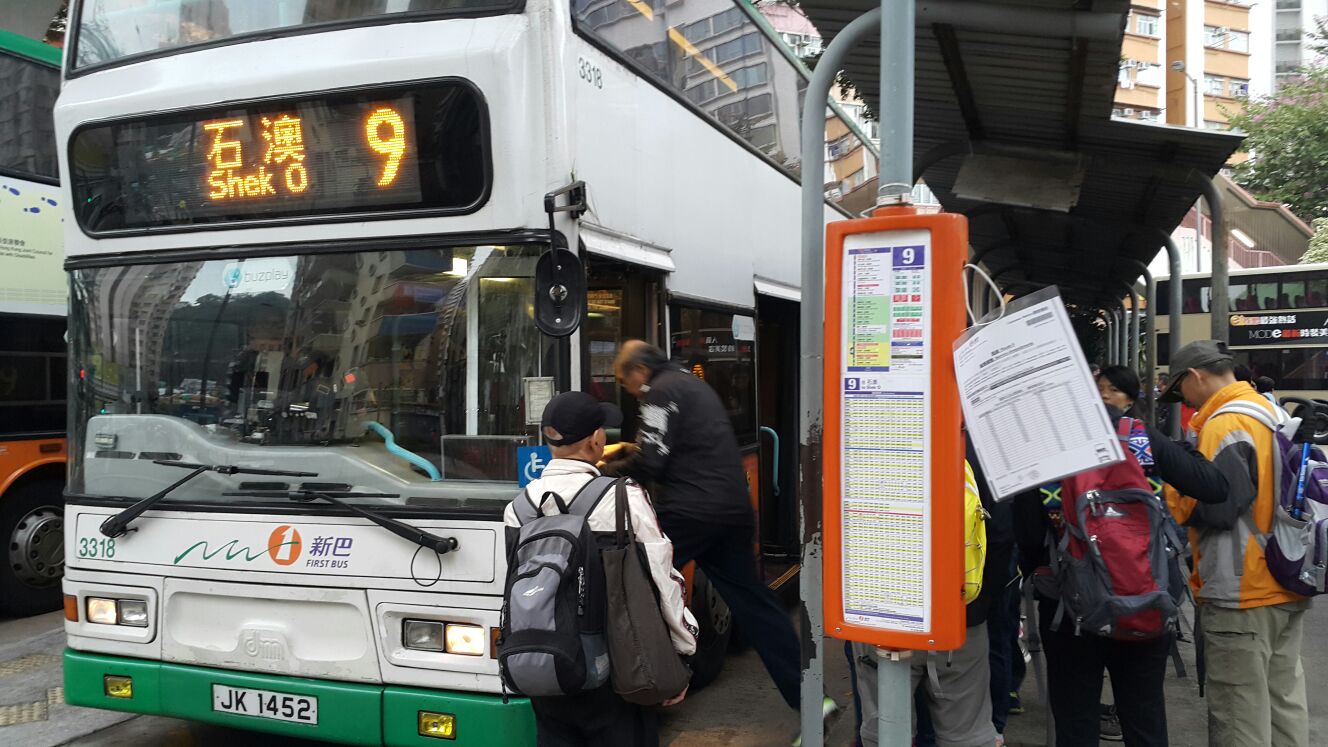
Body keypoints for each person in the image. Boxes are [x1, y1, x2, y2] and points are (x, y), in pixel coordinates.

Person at [602, 341, 815, 717]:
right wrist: (631, 449)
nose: (628, 390)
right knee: (756, 604)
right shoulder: (690, 382)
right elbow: (678, 444)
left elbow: (652, 461)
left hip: (691, 512)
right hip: (732, 511)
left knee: (628, 583)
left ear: (639, 371)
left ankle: (632, 693)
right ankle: (811, 699)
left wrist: (600, 471)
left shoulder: (658, 391)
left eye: (624, 380)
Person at [1013, 390, 1230, 746]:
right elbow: (1214, 486)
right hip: (1145, 597)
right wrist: (1182, 450)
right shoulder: (1141, 438)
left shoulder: (1047, 452)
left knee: (1075, 721)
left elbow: (1027, 536)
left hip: (1071, 608)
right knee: (1145, 716)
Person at [505, 391, 698, 746]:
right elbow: (663, 580)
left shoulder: (518, 508)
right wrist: (681, 651)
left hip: (549, 667)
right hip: (619, 670)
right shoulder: (623, 497)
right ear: (596, 439)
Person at [1158, 341, 1312, 746]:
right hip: (1287, 578)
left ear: (1195, 376)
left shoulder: (1225, 425)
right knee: (1283, 707)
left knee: (1239, 715)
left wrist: (1170, 489)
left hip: (1241, 589)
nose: (1184, 401)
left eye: (1180, 389)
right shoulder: (1272, 412)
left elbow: (1216, 505)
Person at [853, 435, 1010, 747]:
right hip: (959, 617)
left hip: (883, 616)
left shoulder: (865, 440)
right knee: (966, 734)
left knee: (885, 731)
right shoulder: (981, 447)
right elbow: (1002, 534)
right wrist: (978, 606)